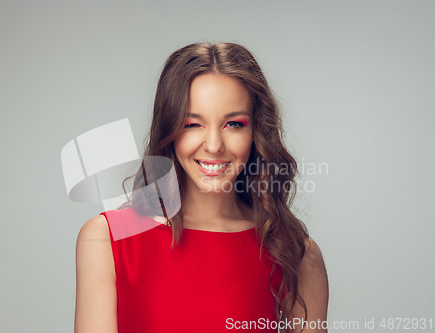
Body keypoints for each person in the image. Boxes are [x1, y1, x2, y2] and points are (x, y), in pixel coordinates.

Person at [74, 42, 329, 333]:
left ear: (256, 130)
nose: (213, 145)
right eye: (193, 124)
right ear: (169, 130)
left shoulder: (296, 254)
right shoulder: (107, 240)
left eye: (233, 124)